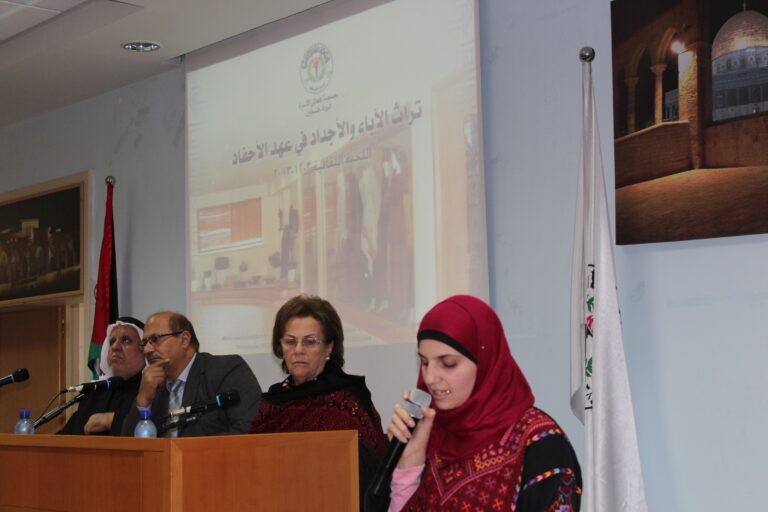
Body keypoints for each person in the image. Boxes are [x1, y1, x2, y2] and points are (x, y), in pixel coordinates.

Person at [385, 295, 582, 511]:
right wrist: (409, 465)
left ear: (486, 362)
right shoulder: (428, 435)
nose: (430, 378)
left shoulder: (541, 445)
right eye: (424, 363)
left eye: (448, 364)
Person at [251, 295, 388, 508]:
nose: (298, 350)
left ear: (329, 347)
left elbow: (369, 477)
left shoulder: (344, 401)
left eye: (309, 341)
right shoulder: (270, 403)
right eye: (290, 341)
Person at [120, 311, 262, 437]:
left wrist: (191, 454)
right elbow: (128, 447)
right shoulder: (152, 388)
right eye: (144, 343)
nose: (147, 350)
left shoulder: (226, 370)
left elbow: (249, 430)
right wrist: (143, 401)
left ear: (184, 340)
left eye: (155, 339)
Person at [58, 316, 146, 435]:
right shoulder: (94, 393)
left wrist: (113, 420)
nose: (115, 347)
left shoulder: (150, 392)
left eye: (126, 340)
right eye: (112, 341)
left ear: (144, 350)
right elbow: (66, 437)